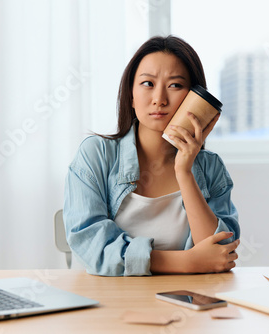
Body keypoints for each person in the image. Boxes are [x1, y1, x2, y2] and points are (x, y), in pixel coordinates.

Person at [63, 35, 240, 276]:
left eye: (175, 85)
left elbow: (219, 255)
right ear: (131, 96)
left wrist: (184, 172)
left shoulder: (210, 168)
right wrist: (186, 262)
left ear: (194, 98)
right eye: (148, 84)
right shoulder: (96, 155)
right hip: (112, 301)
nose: (159, 99)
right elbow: (94, 248)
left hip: (187, 302)